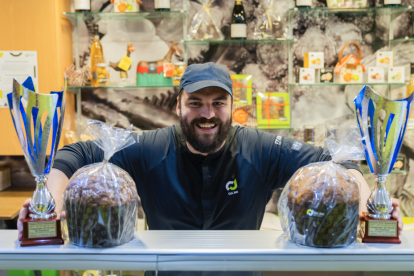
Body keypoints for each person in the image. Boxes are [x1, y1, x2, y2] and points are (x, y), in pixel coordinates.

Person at [18, 62, 402, 275]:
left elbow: (338, 162)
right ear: (178, 106)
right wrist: (46, 203)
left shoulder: (260, 148)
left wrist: (370, 205)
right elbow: (75, 154)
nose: (207, 114)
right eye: (196, 102)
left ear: (232, 106)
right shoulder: (150, 148)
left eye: (218, 103)